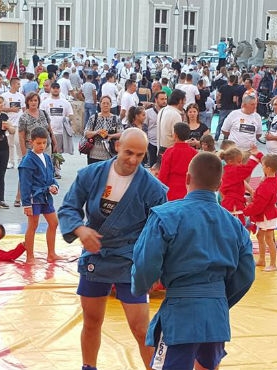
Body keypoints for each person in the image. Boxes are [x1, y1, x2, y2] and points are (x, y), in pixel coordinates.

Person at [131, 152, 255, 370]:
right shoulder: (235, 225)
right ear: (219, 184)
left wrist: (140, 286)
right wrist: (218, 300)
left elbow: (145, 263)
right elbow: (246, 274)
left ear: (187, 178)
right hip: (216, 315)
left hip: (181, 311)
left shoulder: (165, 215)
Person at [57, 128, 168, 370]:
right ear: (117, 146)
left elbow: (160, 232)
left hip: (131, 259)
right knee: (92, 320)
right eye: (129, 152)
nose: (133, 160)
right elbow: (68, 208)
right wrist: (79, 229)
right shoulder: (91, 174)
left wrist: (154, 269)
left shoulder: (153, 188)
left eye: (140, 155)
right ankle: (89, 367)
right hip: (97, 254)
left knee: (141, 329)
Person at [18, 127, 62, 264]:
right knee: (33, 225)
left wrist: (55, 186)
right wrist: (26, 204)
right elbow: (24, 184)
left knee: (54, 223)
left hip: (46, 197)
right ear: (31, 142)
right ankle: (30, 257)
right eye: (38, 143)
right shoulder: (27, 161)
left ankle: (51, 253)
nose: (42, 146)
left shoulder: (47, 158)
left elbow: (51, 177)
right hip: (33, 197)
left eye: (44, 143)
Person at [243, 154, 277, 272]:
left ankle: (273, 264)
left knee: (269, 239)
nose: (262, 167)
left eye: (263, 166)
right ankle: (262, 259)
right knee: (260, 236)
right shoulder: (273, 178)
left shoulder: (267, 186)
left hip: (267, 215)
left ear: (268, 168)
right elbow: (271, 161)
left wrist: (247, 210)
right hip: (266, 213)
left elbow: (259, 205)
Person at [219, 145, 263, 224]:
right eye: (239, 162)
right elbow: (247, 169)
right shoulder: (233, 171)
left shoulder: (230, 171)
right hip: (233, 204)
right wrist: (255, 157)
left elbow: (242, 180)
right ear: (230, 162)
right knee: (238, 225)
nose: (241, 164)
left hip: (231, 201)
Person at [158, 122, 198, 201]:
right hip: (188, 190)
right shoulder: (194, 153)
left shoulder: (169, 152)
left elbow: (163, 174)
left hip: (171, 190)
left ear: (175, 135)